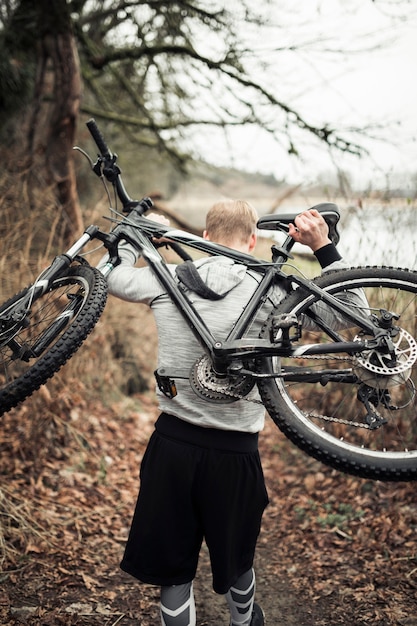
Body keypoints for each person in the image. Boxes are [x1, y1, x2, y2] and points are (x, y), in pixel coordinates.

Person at [99, 200, 344, 626]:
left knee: (174, 575)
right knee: (238, 561)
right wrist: (323, 247)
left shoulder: (170, 279)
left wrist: (136, 238)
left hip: (172, 446)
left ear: (206, 238)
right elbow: (349, 312)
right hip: (237, 454)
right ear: (252, 241)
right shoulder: (274, 291)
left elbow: (106, 276)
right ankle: (246, 621)